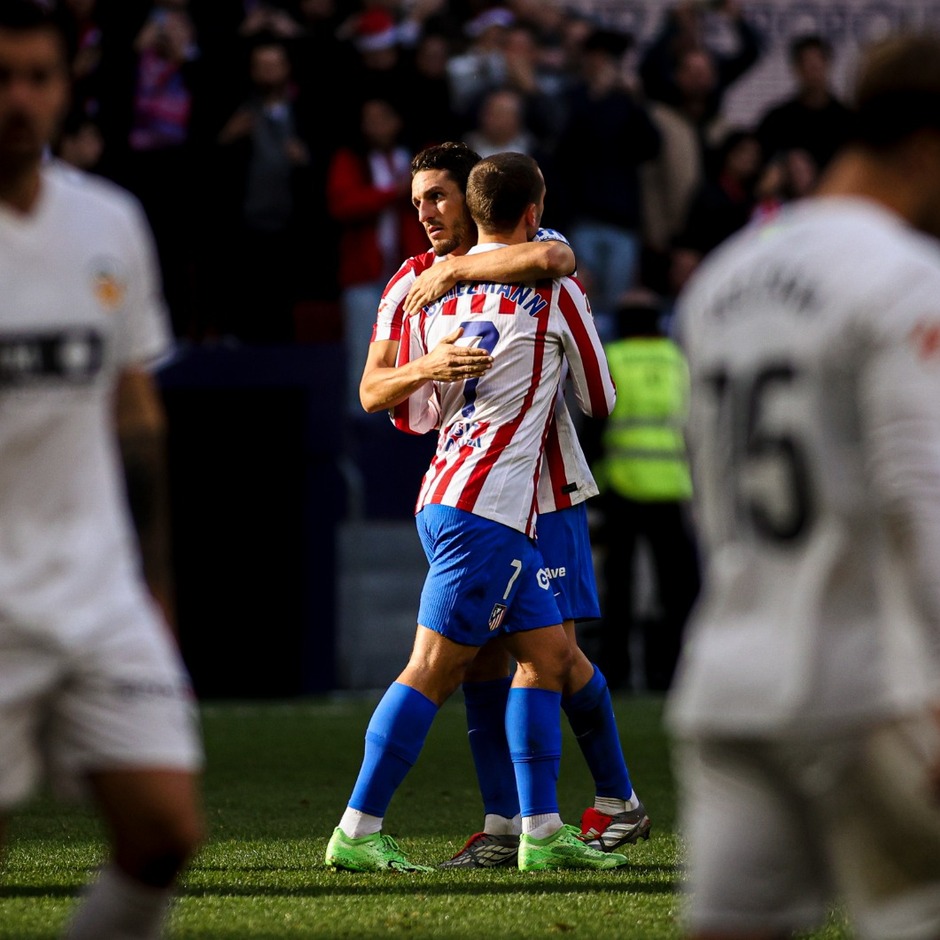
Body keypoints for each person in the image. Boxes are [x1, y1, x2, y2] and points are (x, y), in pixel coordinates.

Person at [667, 31, 940, 940]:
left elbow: (706, 493)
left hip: (732, 679)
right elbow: (923, 502)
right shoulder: (904, 279)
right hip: (872, 692)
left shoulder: (723, 278)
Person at [325, 151, 624, 873]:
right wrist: (426, 367)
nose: (424, 213)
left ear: (473, 199)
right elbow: (373, 392)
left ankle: (545, 828)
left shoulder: (482, 276)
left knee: (548, 656)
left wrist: (461, 272)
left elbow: (554, 253)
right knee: (442, 666)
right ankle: (361, 830)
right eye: (416, 200)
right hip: (484, 499)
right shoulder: (417, 285)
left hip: (528, 498)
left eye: (437, 197)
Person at [0, 4, 204, 939]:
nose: (20, 99)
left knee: (164, 834)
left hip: (95, 589)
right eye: (4, 77)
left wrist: (154, 588)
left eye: (39, 77)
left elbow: (136, 415)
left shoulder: (109, 220)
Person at [589, 290, 699, 692]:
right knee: (678, 591)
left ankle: (616, 676)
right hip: (674, 489)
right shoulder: (680, 362)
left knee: (620, 592)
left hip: (622, 487)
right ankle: (671, 675)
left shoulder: (613, 360)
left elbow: (594, 427)